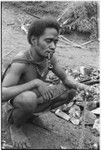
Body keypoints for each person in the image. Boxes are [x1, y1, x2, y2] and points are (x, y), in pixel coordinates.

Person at [2, 16, 91, 149]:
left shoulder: (48, 58)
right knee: (29, 98)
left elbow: (65, 78)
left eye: (55, 41)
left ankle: (30, 115)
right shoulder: (20, 62)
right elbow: (3, 94)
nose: (53, 46)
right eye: (48, 41)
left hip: (36, 101)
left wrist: (81, 86)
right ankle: (16, 127)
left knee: (70, 90)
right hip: (14, 107)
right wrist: (35, 83)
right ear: (34, 40)